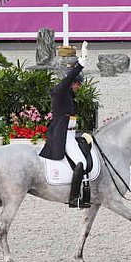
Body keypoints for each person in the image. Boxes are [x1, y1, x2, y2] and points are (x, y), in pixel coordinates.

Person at [39, 41, 89, 208]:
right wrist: (80, 66)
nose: (79, 87)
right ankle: (74, 198)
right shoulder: (60, 91)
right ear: (73, 83)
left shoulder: (68, 96)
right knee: (80, 162)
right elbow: (68, 78)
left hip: (71, 133)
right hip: (62, 135)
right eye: (78, 84)